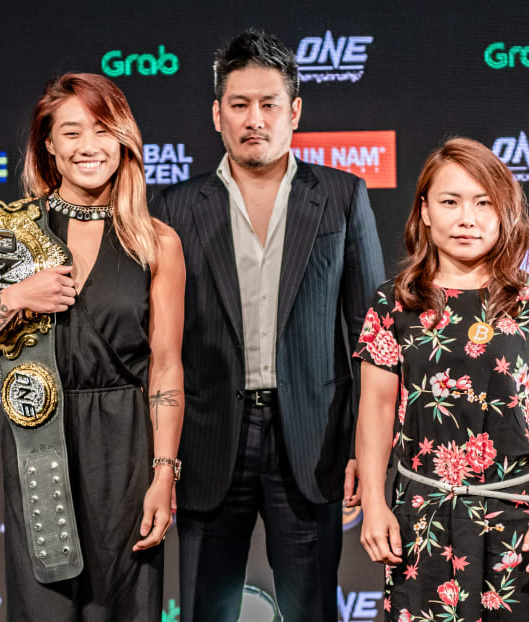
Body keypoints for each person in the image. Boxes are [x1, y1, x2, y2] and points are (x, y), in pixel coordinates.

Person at [0, 73, 184, 621]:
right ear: (49, 145)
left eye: (101, 129)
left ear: (123, 138)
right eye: (71, 133)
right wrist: (18, 295)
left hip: (127, 451)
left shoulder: (156, 239)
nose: (88, 147)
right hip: (40, 445)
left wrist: (164, 473)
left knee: (124, 607)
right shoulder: (9, 235)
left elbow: (165, 370)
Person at [150, 30, 385, 622]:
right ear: (216, 114)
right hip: (207, 441)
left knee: (311, 610)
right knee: (206, 609)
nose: (254, 119)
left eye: (269, 104)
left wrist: (365, 444)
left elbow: (371, 338)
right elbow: (159, 345)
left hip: (310, 440)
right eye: (239, 104)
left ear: (295, 111)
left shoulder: (342, 196)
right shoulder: (176, 207)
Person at [355, 137, 529, 621]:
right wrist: (374, 503)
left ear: (504, 213)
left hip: (524, 521)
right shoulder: (392, 303)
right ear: (424, 210)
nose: (467, 218)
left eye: (484, 203)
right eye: (450, 201)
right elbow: (375, 409)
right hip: (422, 521)